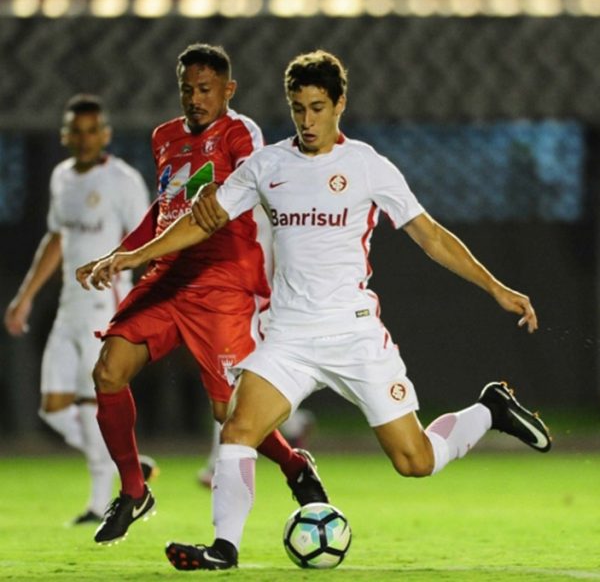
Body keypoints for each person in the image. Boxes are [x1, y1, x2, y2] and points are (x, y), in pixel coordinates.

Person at [85, 50, 552, 570]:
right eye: (297, 108)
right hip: (289, 336)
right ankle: (224, 548)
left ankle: (490, 408)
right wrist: (133, 256)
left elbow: (430, 236)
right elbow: (205, 218)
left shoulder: (367, 165)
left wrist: (495, 287)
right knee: (238, 429)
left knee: (414, 461)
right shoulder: (267, 165)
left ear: (339, 105)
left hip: (352, 333)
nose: (307, 121)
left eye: (317, 107)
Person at [75, 43, 328, 546]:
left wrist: (225, 197)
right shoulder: (164, 137)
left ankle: (295, 464)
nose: (195, 98)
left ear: (228, 91)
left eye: (206, 89)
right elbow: (164, 210)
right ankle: (132, 490)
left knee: (229, 414)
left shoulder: (240, 132)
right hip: (169, 275)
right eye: (188, 89)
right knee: (108, 370)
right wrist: (119, 254)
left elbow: (247, 188)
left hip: (222, 281)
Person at [3, 94, 153, 525]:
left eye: (93, 131)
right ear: (65, 135)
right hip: (69, 307)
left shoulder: (121, 180)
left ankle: (98, 501)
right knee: (52, 408)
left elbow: (145, 240)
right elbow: (56, 239)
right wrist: (26, 296)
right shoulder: (61, 178)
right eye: (77, 131)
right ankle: (131, 466)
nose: (85, 139)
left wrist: (142, 301)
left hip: (103, 306)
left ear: (105, 134)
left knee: (92, 402)